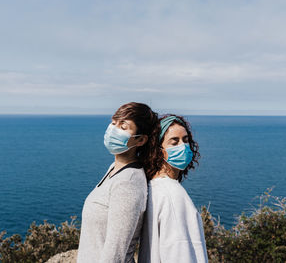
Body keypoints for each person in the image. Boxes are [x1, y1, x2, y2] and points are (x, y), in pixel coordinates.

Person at [77, 102, 159, 263]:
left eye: (123, 126)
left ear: (140, 140)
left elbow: (115, 255)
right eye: (114, 122)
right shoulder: (114, 168)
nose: (113, 129)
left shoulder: (128, 183)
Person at [138, 115, 209, 263]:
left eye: (186, 140)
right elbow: (180, 252)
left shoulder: (151, 188)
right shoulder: (173, 195)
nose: (183, 146)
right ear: (158, 150)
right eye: (174, 142)